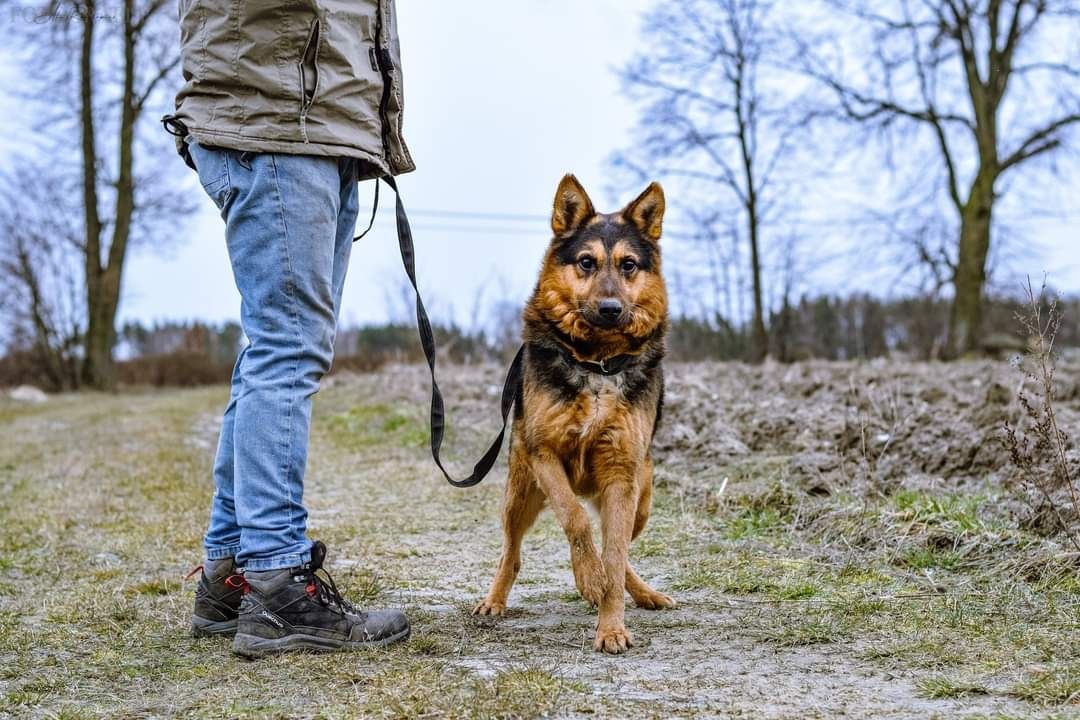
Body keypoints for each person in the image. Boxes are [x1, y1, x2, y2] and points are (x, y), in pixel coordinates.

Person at [164, 0, 414, 658]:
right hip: (276, 123)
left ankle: (231, 575)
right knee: (285, 353)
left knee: (274, 352)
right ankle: (276, 586)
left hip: (316, 128)